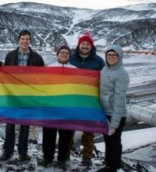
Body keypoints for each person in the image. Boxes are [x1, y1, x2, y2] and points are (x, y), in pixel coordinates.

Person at [1, 29, 44, 162]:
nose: (25, 41)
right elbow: (5, 75)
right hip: (13, 96)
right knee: (10, 125)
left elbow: (42, 77)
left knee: (25, 125)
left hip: (27, 97)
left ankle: (23, 152)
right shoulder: (10, 56)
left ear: (30, 41)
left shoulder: (37, 58)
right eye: (22, 39)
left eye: (27, 39)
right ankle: (7, 151)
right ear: (18, 40)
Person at [69, 31, 105, 166]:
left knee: (89, 130)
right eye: (83, 43)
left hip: (90, 100)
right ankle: (66, 153)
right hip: (72, 99)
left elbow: (104, 79)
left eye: (87, 44)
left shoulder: (98, 61)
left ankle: (87, 156)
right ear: (79, 45)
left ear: (91, 46)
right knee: (69, 128)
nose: (85, 46)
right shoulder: (71, 58)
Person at [42, 45, 75, 168]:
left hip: (66, 108)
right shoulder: (49, 68)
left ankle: (62, 159)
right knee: (49, 134)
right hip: (51, 107)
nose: (64, 54)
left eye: (67, 53)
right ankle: (47, 157)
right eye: (62, 52)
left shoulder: (75, 70)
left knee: (65, 135)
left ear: (69, 56)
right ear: (57, 54)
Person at [98, 45, 129, 172]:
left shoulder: (122, 74)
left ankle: (114, 166)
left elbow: (120, 100)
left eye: (114, 55)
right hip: (106, 111)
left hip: (117, 114)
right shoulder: (105, 69)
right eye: (108, 55)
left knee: (115, 142)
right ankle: (109, 164)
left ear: (119, 56)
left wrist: (115, 123)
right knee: (108, 140)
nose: (111, 57)